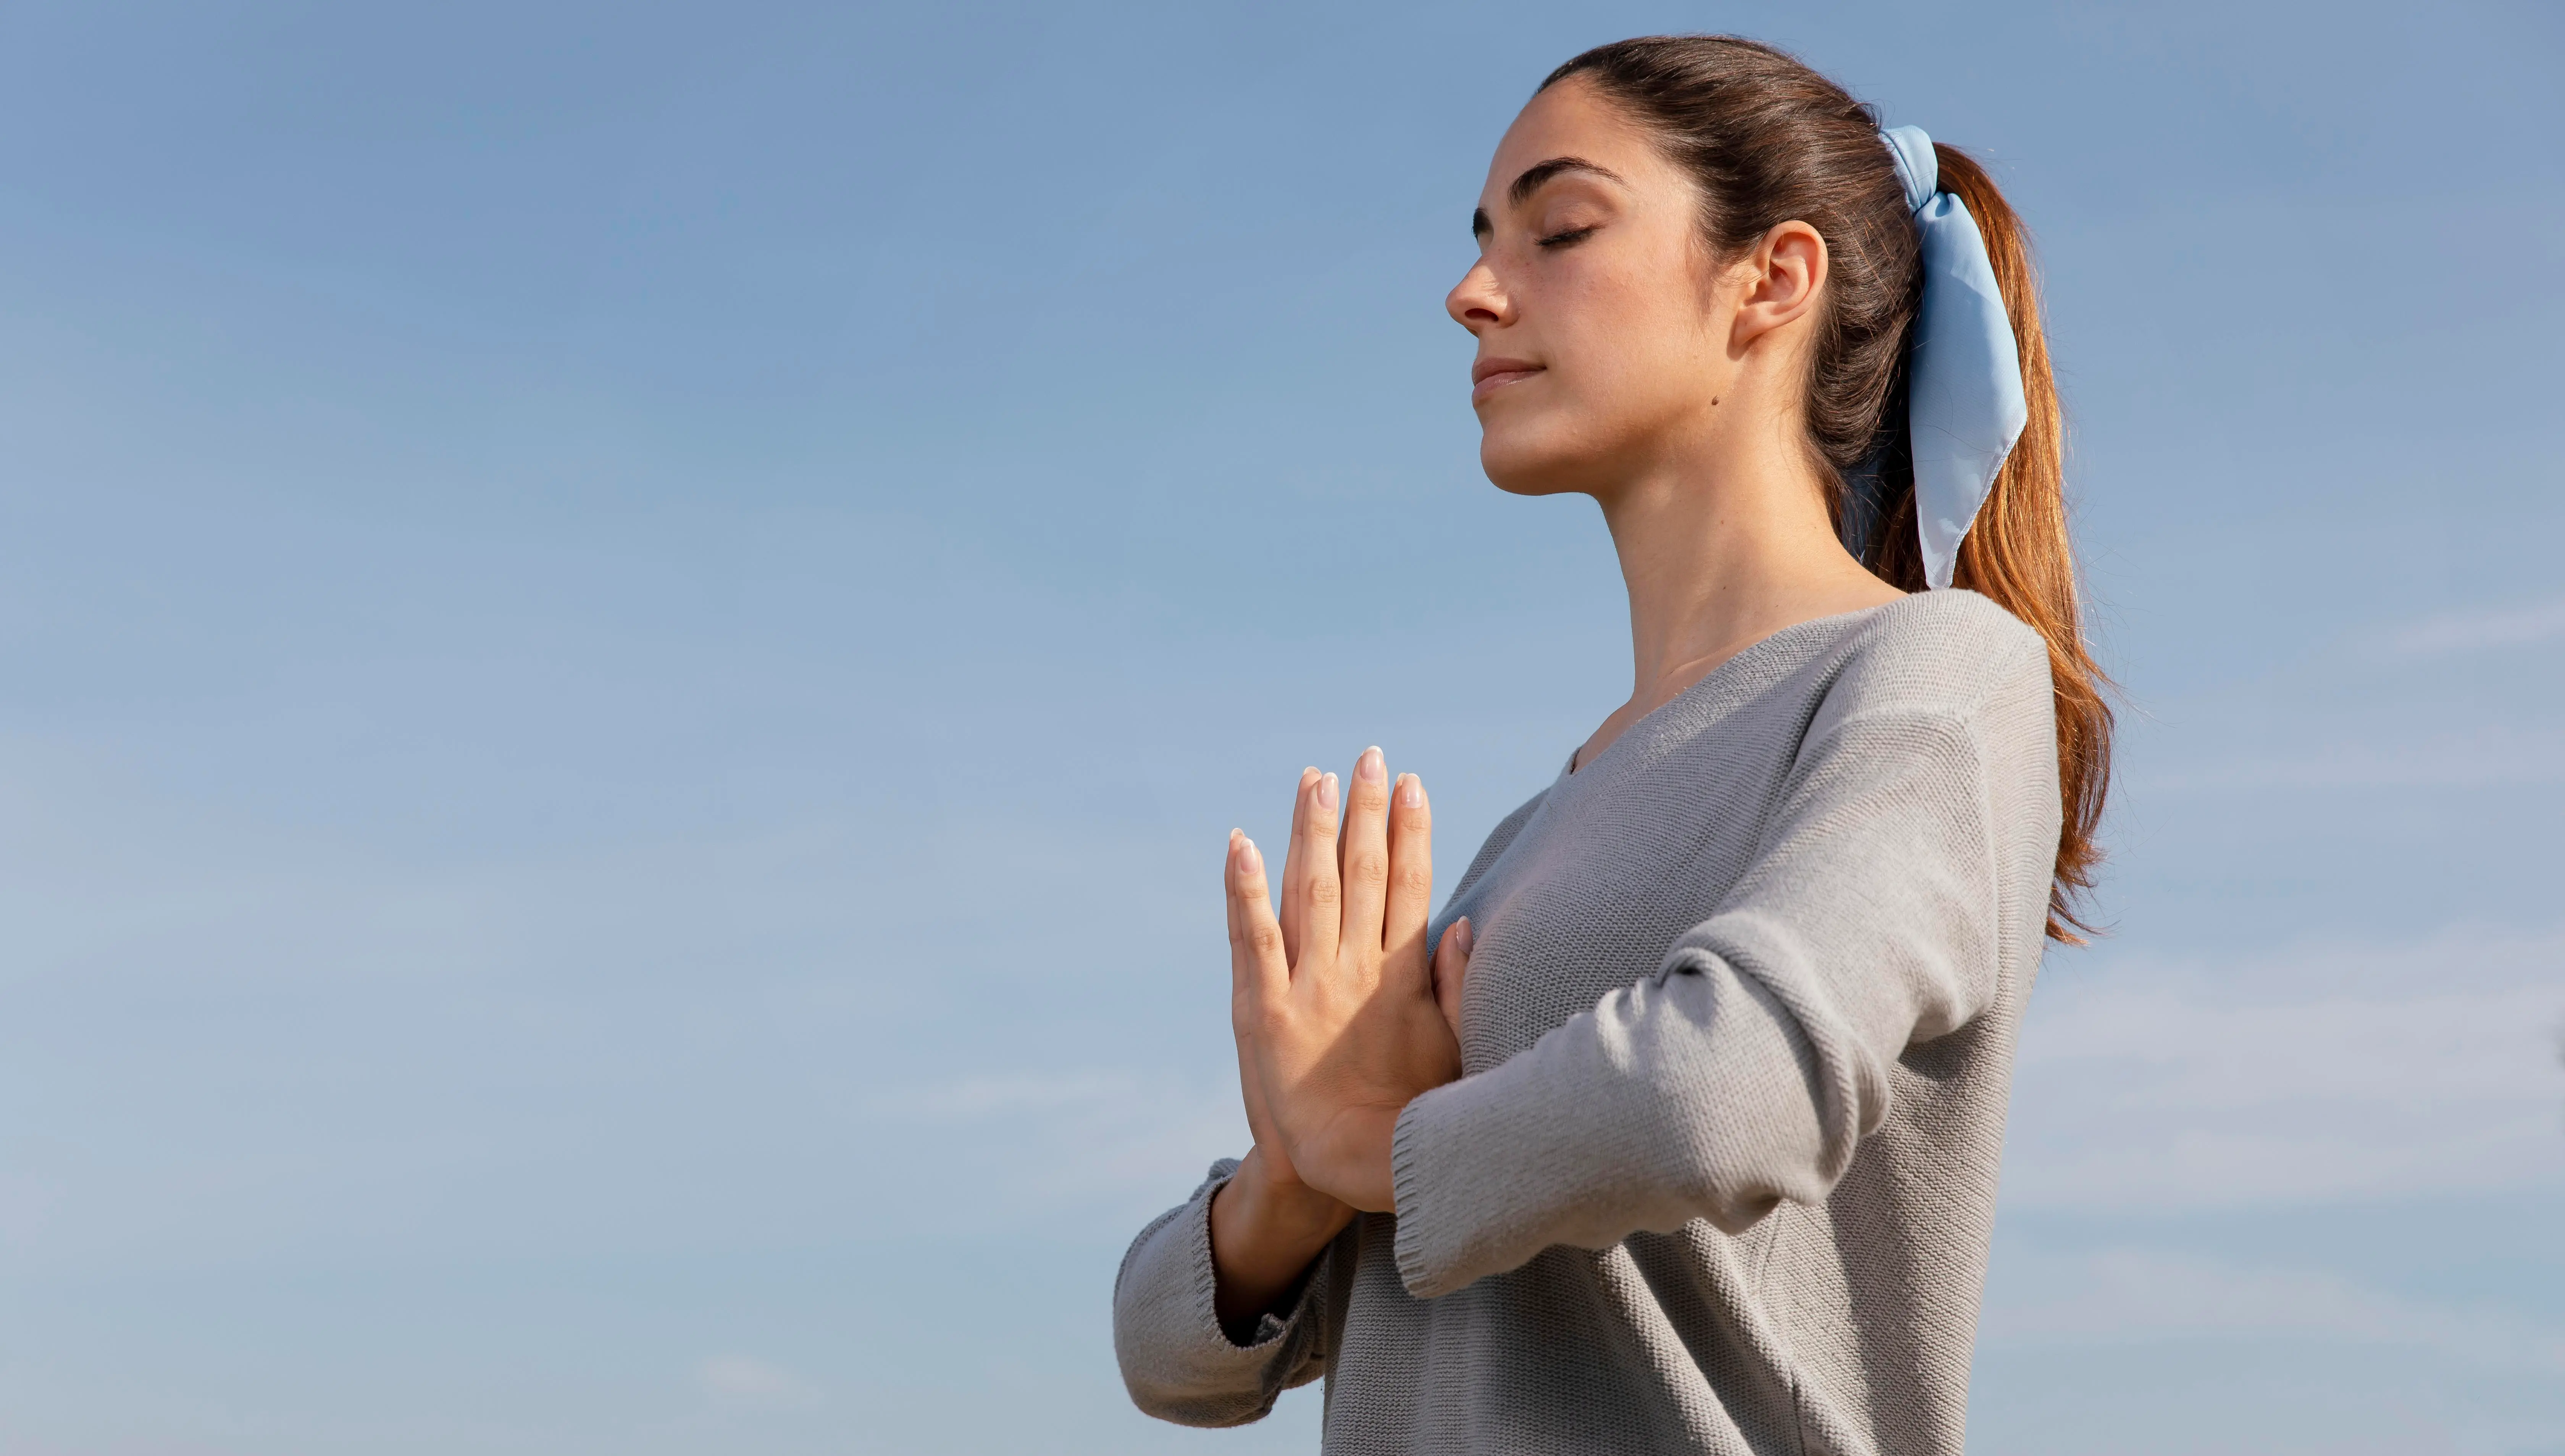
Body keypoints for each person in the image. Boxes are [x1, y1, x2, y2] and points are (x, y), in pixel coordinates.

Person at [1111, 34, 2112, 1456]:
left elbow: (1725, 1090)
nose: (1472, 292)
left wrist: (1374, 1146)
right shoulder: (1529, 840)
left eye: (1561, 229)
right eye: (1481, 241)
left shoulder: (1931, 675)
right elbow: (1167, 1350)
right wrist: (1295, 1172)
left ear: (1769, 280)